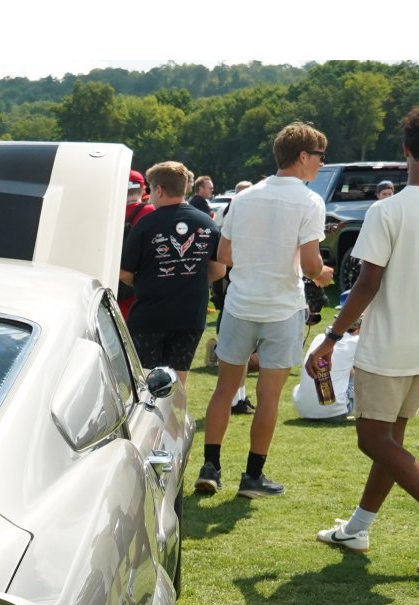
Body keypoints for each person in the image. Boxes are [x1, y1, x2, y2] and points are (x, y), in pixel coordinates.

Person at [308, 106, 419, 572]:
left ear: (405, 149)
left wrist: (331, 336)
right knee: (392, 439)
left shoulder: (387, 209)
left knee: (373, 439)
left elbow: (366, 284)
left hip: (390, 342)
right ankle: (358, 527)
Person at [194, 122, 333, 499]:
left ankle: (210, 467)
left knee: (225, 388)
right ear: (304, 156)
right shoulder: (309, 201)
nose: (322, 165)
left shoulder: (244, 197)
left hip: (240, 303)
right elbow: (309, 265)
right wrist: (323, 275)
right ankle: (253, 476)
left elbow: (224, 256)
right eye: (320, 157)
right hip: (283, 307)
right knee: (269, 396)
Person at [120, 161, 225, 391]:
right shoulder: (207, 222)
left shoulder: (146, 224)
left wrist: (147, 283)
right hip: (190, 314)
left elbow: (125, 272)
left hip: (150, 314)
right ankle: (173, 424)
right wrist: (190, 282)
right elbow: (219, 270)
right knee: (177, 381)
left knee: (144, 382)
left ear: (159, 190)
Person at [119, 170, 155, 319]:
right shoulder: (151, 212)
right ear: (143, 189)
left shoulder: (108, 211)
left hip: (112, 282)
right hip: (141, 286)